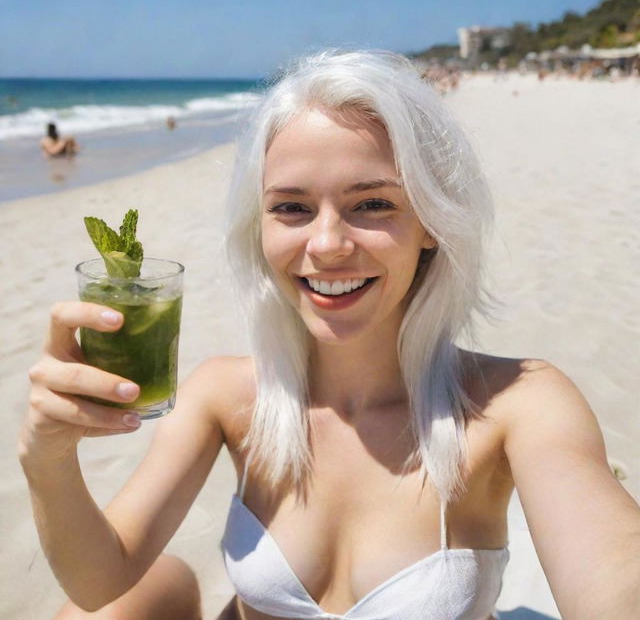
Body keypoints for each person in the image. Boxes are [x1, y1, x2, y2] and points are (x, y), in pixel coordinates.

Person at [19, 50, 640, 620]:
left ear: (431, 222)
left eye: (372, 205)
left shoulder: (516, 406)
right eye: (291, 207)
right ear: (258, 227)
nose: (327, 245)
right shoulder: (227, 396)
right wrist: (48, 458)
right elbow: (102, 581)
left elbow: (613, 580)